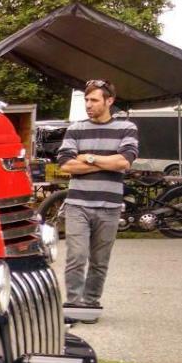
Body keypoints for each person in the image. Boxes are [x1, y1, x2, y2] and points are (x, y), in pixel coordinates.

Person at [56, 79, 138, 323]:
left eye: (94, 100)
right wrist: (107, 161)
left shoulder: (127, 128)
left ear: (109, 101)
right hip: (77, 204)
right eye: (86, 100)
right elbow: (65, 164)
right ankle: (72, 306)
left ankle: (90, 305)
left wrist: (89, 158)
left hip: (110, 207)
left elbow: (124, 162)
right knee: (76, 257)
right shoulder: (76, 128)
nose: (88, 105)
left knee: (100, 261)